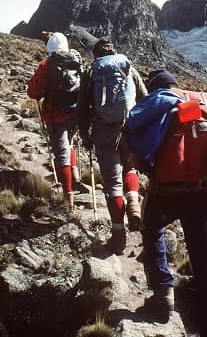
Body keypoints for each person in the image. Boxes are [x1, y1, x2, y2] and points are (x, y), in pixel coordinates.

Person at [125, 70, 207, 337]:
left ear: (155, 87)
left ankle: (163, 291)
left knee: (152, 229)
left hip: (167, 191)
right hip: (203, 191)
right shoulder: (206, 100)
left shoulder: (160, 98)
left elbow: (132, 125)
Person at [78, 38, 148, 253]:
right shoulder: (128, 68)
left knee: (112, 184)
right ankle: (134, 204)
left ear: (97, 54)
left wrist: (85, 135)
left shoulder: (92, 72)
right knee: (130, 168)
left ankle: (118, 237)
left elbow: (83, 107)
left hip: (104, 131)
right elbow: (145, 98)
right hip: (129, 128)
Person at [27, 32, 82, 210]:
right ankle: (75, 177)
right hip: (75, 113)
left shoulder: (46, 65)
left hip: (55, 115)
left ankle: (68, 198)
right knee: (70, 144)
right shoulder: (76, 60)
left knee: (62, 154)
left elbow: (34, 93)